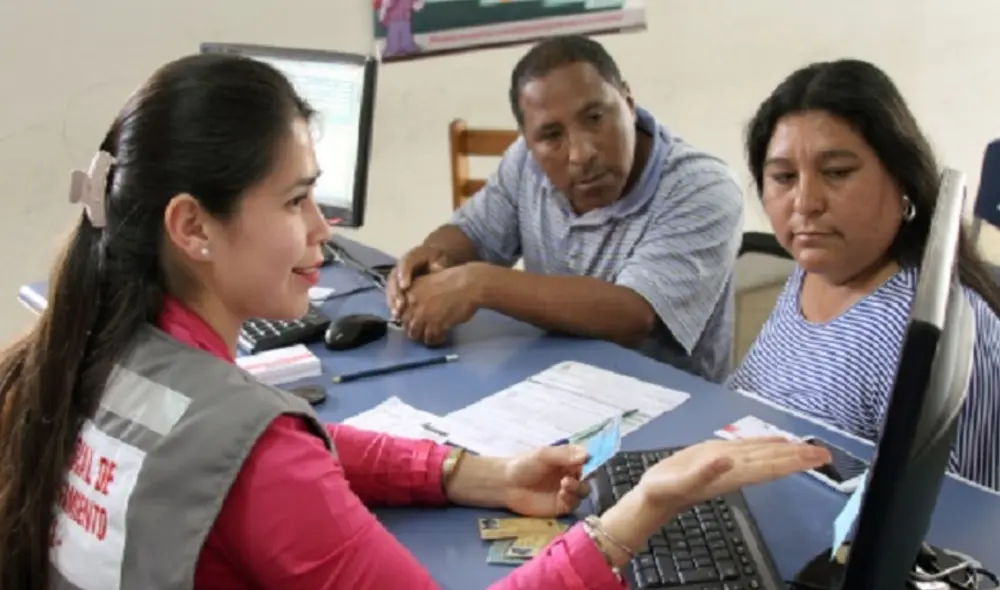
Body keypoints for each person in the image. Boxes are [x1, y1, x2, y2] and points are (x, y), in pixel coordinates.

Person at [0, 54, 830, 589]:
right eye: (296, 201)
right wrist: (637, 511)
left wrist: (472, 473)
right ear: (191, 228)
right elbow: (269, 463)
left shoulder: (99, 353)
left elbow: (279, 447)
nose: (325, 231)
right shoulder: (257, 456)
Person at [385, 35, 744, 383]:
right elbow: (474, 234)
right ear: (528, 140)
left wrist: (478, 283)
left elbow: (633, 315)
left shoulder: (702, 186)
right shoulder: (526, 161)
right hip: (549, 385)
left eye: (594, 118)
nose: (581, 153)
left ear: (629, 103)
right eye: (551, 136)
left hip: (672, 409)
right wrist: (432, 258)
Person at [729, 58, 1000, 491]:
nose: (805, 203)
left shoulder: (932, 334)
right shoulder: (815, 268)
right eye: (783, 176)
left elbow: (958, 531)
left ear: (902, 179)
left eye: (837, 173)